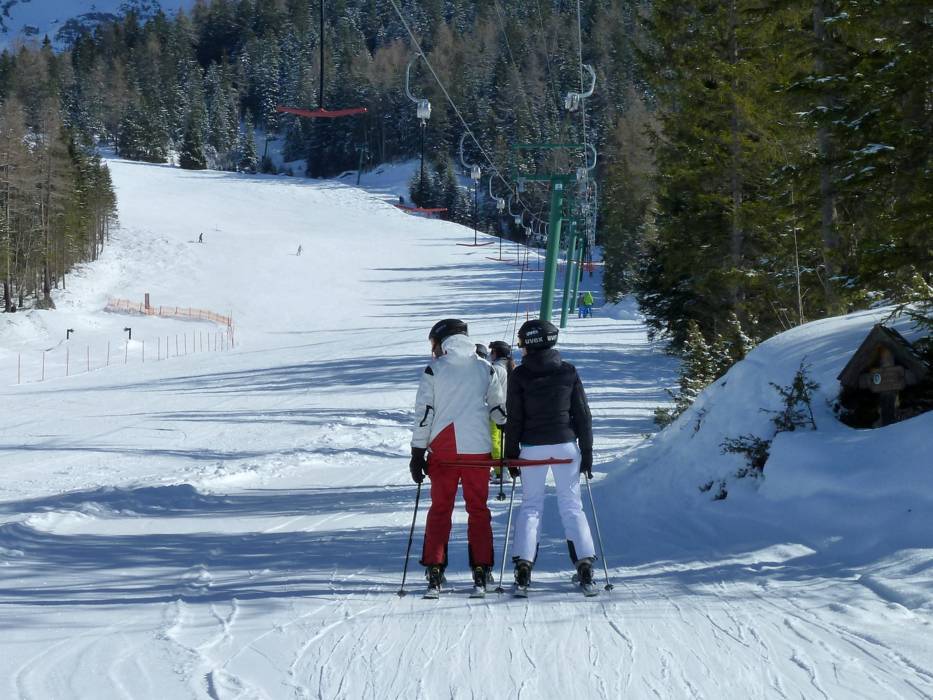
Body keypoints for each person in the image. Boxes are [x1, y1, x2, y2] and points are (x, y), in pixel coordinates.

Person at [410, 319, 507, 594]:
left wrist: (417, 452)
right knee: (478, 509)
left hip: (445, 449)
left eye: (433, 344)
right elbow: (498, 410)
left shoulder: (434, 370)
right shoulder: (485, 367)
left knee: (441, 509)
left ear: (442, 341)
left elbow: (424, 414)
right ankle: (481, 567)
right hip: (478, 449)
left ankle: (435, 567)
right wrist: (509, 432)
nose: (433, 350)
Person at [505, 318, 597, 591]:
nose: (520, 347)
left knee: (531, 505)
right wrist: (587, 451)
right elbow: (583, 414)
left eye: (521, 343)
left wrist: (511, 454)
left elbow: (514, 418)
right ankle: (585, 564)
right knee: (571, 505)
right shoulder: (568, 371)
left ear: (531, 343)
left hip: (532, 447)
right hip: (565, 445)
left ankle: (524, 565)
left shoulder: (520, 375)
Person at [487, 340, 515, 481]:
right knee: (501, 440)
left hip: (496, 410)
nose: (490, 354)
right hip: (508, 409)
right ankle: (503, 469)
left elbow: (490, 389)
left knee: (495, 441)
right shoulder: (510, 367)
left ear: (496, 352)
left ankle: (501, 471)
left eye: (491, 351)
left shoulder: (496, 368)